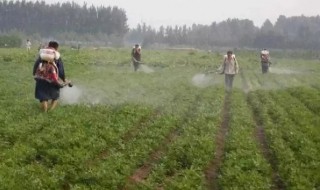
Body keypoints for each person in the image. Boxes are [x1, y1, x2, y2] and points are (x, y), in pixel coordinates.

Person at [33, 41, 69, 112]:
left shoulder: (42, 53)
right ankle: (51, 111)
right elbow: (60, 69)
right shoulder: (56, 55)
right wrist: (63, 79)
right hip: (52, 78)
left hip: (41, 78)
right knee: (55, 96)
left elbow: (36, 64)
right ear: (56, 47)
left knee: (43, 96)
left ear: (48, 45)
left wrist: (34, 73)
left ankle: (45, 112)